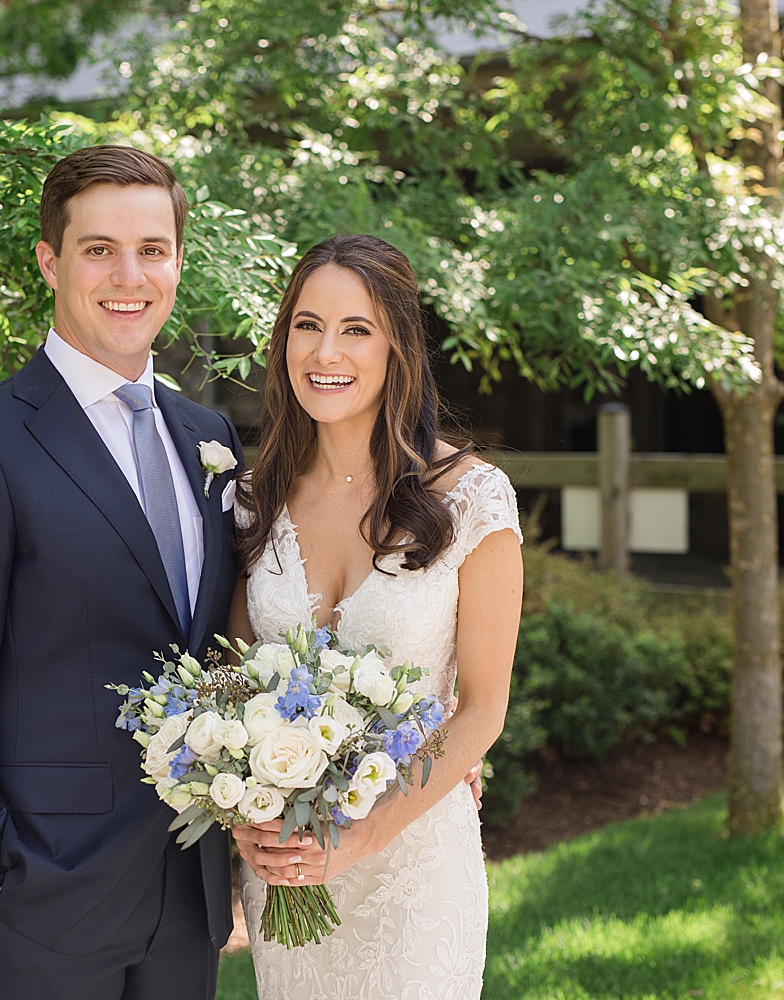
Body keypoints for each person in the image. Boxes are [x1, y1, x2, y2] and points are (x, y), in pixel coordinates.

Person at [0, 145, 243, 1000]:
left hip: (189, 891)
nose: (130, 275)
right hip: (42, 902)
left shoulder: (211, 435)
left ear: (177, 262)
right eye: (99, 249)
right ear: (50, 261)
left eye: (152, 249)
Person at [227, 234, 523, 999]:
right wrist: (238, 811)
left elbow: (484, 709)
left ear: (398, 348)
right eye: (306, 324)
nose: (326, 351)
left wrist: (361, 838)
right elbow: (228, 683)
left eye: (356, 329)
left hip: (413, 866)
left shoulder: (472, 499)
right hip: (287, 869)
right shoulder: (257, 497)